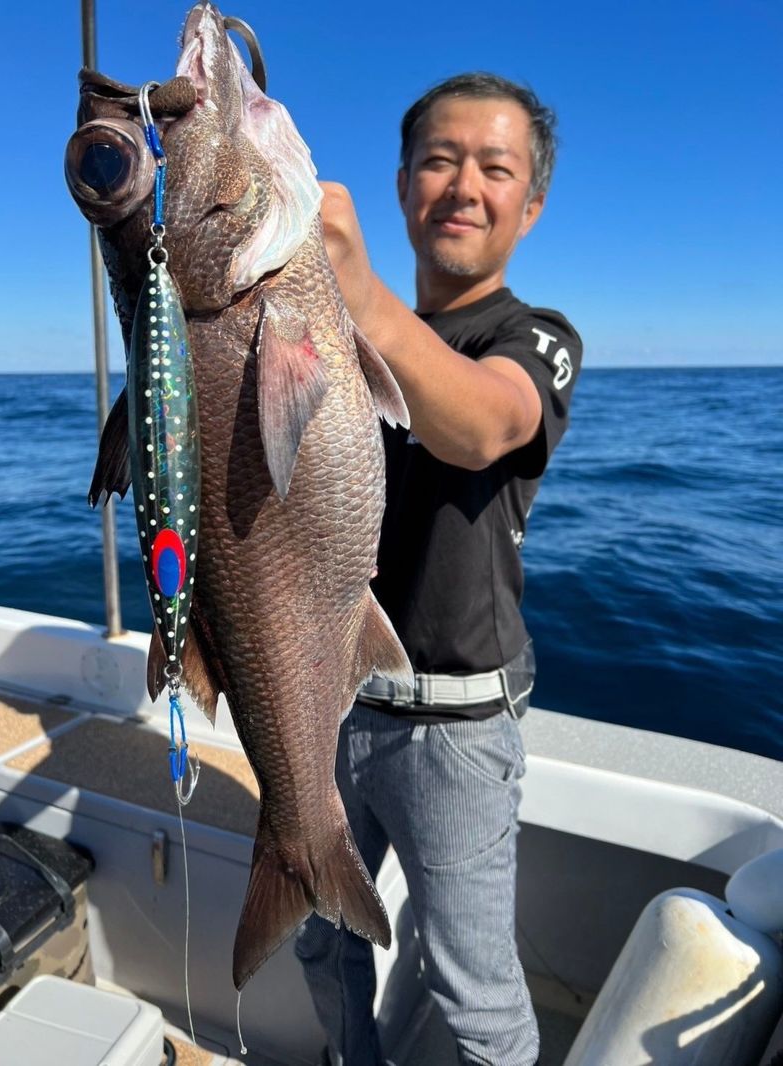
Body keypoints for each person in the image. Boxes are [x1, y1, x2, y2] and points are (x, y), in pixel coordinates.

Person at [295, 72, 582, 1066]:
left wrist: (362, 296)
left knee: (475, 1000)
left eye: (494, 168)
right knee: (317, 942)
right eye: (439, 160)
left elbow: (482, 423)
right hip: (326, 708)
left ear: (529, 205)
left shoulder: (534, 338)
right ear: (402, 184)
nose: (463, 185)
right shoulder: (330, 333)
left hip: (453, 733)